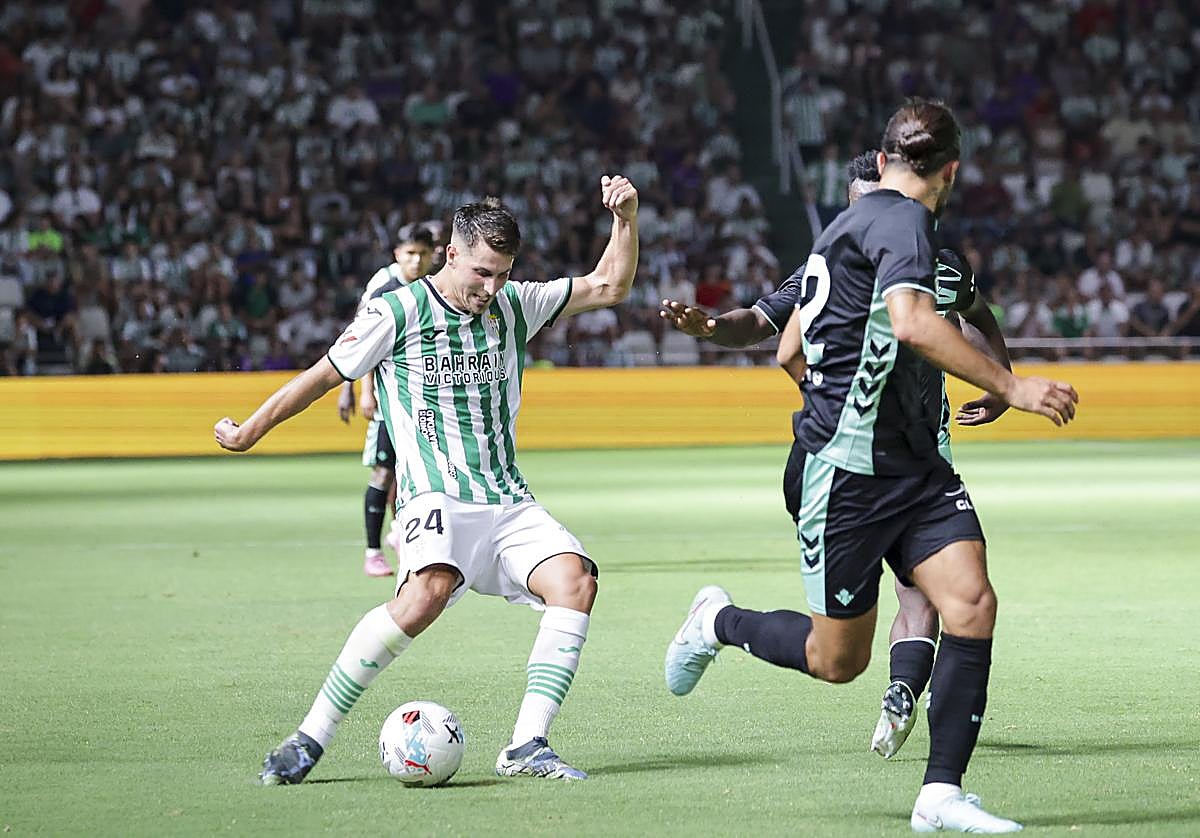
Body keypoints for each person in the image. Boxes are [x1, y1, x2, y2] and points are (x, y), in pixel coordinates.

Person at [663, 101, 1077, 833]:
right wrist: (1011, 385)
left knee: (972, 603)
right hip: (848, 473)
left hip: (916, 466)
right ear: (950, 171)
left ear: (884, 158)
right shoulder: (905, 223)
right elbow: (915, 323)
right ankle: (716, 622)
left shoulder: (846, 228)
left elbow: (802, 339)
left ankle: (939, 793)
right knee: (836, 659)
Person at [215, 176, 639, 785]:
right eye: (482, 274)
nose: (491, 289)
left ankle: (527, 745)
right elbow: (319, 376)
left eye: (502, 274)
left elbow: (609, 285)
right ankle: (311, 735)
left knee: (576, 582)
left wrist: (625, 218)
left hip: (507, 498)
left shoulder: (516, 303)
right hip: (435, 495)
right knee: (424, 596)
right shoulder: (397, 311)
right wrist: (251, 431)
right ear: (453, 254)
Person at [336, 223, 436, 577]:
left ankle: (404, 535)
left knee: (417, 471)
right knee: (383, 471)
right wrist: (358, 389)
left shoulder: (434, 287)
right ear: (397, 254)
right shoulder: (384, 288)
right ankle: (373, 550)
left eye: (423, 253)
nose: (417, 260)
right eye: (410, 253)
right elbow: (360, 341)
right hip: (386, 396)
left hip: (422, 399)